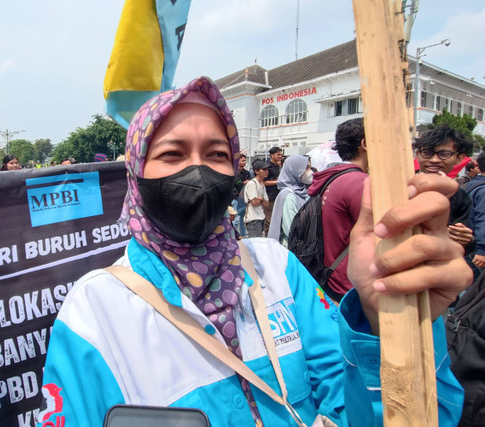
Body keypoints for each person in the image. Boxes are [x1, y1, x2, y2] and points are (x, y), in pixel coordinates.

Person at [38, 76, 467, 427]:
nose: (198, 169)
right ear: (135, 173)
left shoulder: (275, 266)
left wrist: (386, 323)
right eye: (171, 154)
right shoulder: (94, 311)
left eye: (216, 153)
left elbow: (361, 406)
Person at [308, 118, 368, 300]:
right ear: (365, 144)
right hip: (351, 286)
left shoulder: (332, 178)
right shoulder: (360, 183)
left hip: (329, 277)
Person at [413, 124, 475, 250]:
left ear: (459, 158)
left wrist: (467, 240)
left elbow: (463, 239)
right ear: (418, 154)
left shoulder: (460, 197)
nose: (434, 160)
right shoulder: (400, 185)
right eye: (427, 153)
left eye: (444, 154)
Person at [267, 155, 312, 246]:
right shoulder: (288, 196)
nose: (310, 172)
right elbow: (291, 229)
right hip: (292, 248)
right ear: (294, 171)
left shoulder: (302, 192)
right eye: (306, 168)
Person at [465, 152, 485, 270]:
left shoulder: (469, 185)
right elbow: (482, 219)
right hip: (479, 251)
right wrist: (482, 250)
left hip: (469, 245)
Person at [242, 159, 269, 237]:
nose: (266, 171)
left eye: (267, 169)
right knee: (255, 245)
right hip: (253, 219)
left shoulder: (262, 185)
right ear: (256, 171)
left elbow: (266, 203)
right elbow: (254, 203)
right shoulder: (252, 184)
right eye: (263, 169)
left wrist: (261, 199)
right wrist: (260, 200)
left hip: (261, 217)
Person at [263, 147, 282, 235]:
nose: (280, 156)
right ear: (272, 155)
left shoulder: (277, 166)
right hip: (269, 196)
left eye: (281, 155)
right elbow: (264, 182)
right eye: (278, 154)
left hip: (278, 195)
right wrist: (277, 182)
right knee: (269, 219)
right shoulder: (267, 167)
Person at [232, 153, 251, 236]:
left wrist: (246, 183)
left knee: (243, 217)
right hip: (235, 197)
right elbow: (238, 183)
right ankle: (234, 235)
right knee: (235, 217)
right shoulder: (233, 172)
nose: (244, 162)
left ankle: (243, 234)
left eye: (245, 161)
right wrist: (245, 183)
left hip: (244, 198)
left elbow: (250, 182)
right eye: (242, 160)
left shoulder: (246, 172)